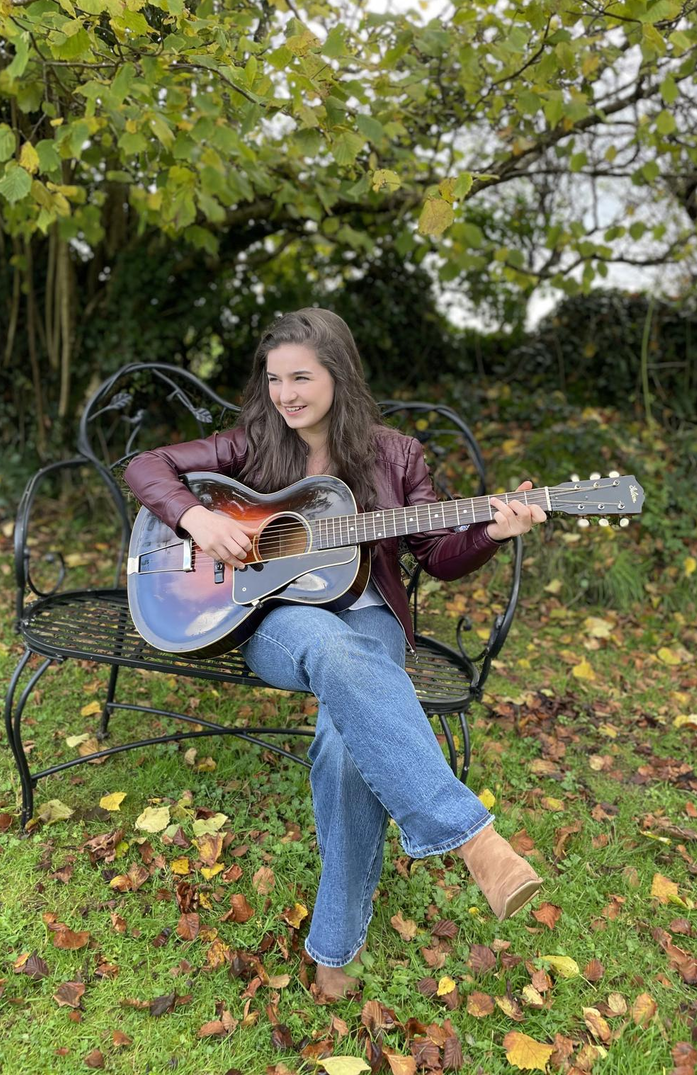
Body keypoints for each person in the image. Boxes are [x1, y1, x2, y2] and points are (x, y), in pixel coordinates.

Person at [123, 307, 548, 1000]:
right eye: (274, 380)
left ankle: (334, 943)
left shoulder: (395, 454)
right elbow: (147, 465)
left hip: (369, 617)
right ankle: (475, 839)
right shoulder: (254, 444)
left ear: (338, 374)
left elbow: (437, 556)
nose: (286, 394)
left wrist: (493, 532)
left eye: (301, 377)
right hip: (275, 620)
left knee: (349, 746)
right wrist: (198, 516)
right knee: (326, 642)